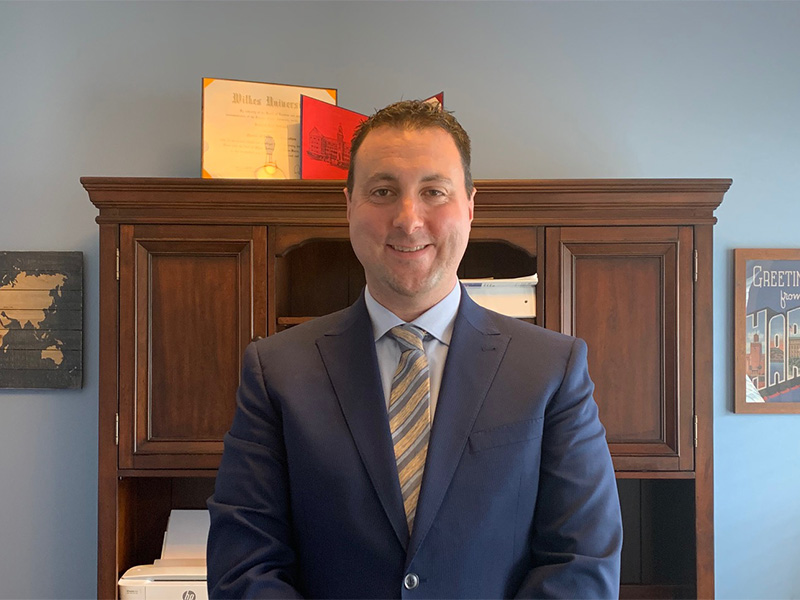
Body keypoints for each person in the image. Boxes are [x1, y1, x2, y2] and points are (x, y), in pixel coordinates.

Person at [207, 100, 623, 599]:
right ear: (349, 205)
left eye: (434, 191)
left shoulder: (552, 370)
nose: (408, 219)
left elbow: (581, 564)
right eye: (383, 191)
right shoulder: (276, 371)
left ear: (469, 206)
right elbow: (245, 567)